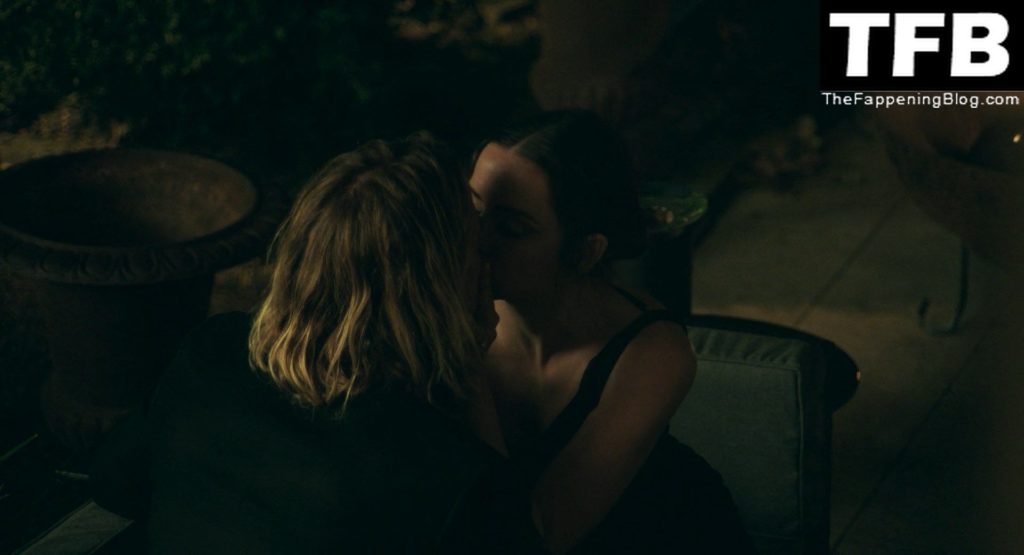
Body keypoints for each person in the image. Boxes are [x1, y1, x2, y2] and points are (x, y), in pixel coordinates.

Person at [90, 133, 543, 553]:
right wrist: (470, 372)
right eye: (476, 249)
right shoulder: (445, 471)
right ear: (439, 287)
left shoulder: (212, 352)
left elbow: (113, 483)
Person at [470, 110, 752, 553]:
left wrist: (465, 363)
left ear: (585, 252)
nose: (478, 241)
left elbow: (541, 537)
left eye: (510, 229)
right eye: (473, 212)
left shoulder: (650, 352)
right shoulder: (447, 302)